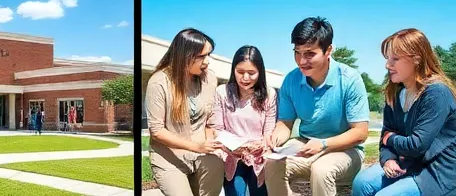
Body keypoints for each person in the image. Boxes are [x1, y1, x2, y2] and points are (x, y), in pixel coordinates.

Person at [265, 17, 370, 196]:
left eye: (309, 54)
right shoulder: (291, 80)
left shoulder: (350, 79)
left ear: (328, 50)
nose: (301, 61)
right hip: (305, 145)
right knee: (272, 164)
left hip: (346, 150)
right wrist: (275, 139)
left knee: (322, 170)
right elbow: (285, 123)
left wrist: (323, 144)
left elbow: (360, 133)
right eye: (297, 52)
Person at [352, 28, 456, 196]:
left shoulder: (437, 93)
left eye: (395, 59)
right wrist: (388, 159)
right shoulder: (396, 92)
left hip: (437, 171)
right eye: (387, 59)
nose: (388, 65)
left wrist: (390, 138)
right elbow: (386, 133)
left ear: (417, 60)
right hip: (407, 164)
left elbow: (416, 145)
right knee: (361, 183)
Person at [146, 28, 225, 196]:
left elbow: (210, 121)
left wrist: (210, 143)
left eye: (209, 54)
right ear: (184, 55)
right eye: (202, 56)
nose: (207, 61)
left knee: (216, 170)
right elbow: (157, 131)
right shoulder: (159, 82)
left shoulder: (209, 78)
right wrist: (196, 147)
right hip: (169, 158)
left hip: (202, 154)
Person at [210, 46, 278, 196]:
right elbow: (217, 128)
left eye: (251, 73)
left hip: (259, 157)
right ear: (233, 70)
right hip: (232, 157)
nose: (245, 78)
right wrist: (234, 147)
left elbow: (269, 130)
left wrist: (263, 143)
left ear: (260, 72)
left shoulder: (269, 94)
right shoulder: (222, 92)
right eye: (240, 72)